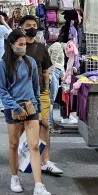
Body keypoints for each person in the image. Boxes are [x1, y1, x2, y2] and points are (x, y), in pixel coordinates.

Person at [0, 29, 52, 195]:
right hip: (13, 109)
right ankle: (14, 178)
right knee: (13, 145)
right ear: (11, 45)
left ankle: (38, 186)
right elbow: (2, 91)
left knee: (34, 146)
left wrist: (39, 110)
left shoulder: (31, 63)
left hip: (31, 108)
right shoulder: (2, 65)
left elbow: (36, 88)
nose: (23, 47)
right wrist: (17, 108)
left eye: (25, 44)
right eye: (20, 44)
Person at [21, 15, 63, 176]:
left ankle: (46, 161)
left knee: (44, 125)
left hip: (41, 93)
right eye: (28, 25)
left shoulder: (41, 47)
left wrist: (46, 88)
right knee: (23, 127)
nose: (32, 27)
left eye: (34, 25)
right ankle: (23, 158)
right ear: (22, 28)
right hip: (22, 95)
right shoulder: (17, 46)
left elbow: (46, 70)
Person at [47, 28, 66, 130]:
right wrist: (50, 75)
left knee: (51, 100)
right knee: (50, 100)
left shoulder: (57, 46)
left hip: (55, 73)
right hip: (53, 73)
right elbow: (53, 62)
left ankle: (51, 122)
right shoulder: (57, 46)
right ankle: (49, 124)